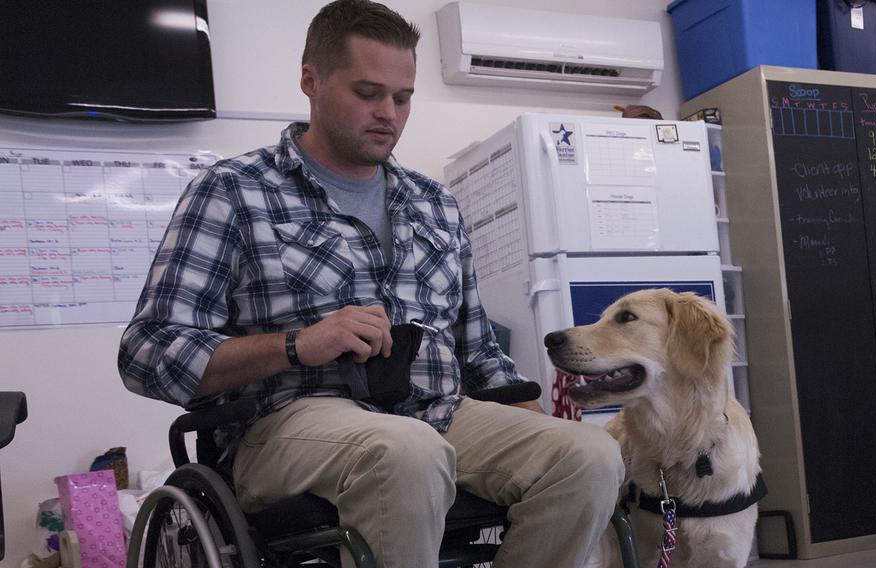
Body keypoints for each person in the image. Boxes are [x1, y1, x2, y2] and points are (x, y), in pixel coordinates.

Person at [118, 1, 623, 566]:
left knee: (590, 455)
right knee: (404, 451)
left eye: (402, 97)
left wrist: (537, 432)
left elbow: (479, 353)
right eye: (367, 92)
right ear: (311, 80)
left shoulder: (436, 205)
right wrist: (296, 345)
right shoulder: (235, 190)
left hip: (437, 414)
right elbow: (146, 351)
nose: (389, 112)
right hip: (286, 424)